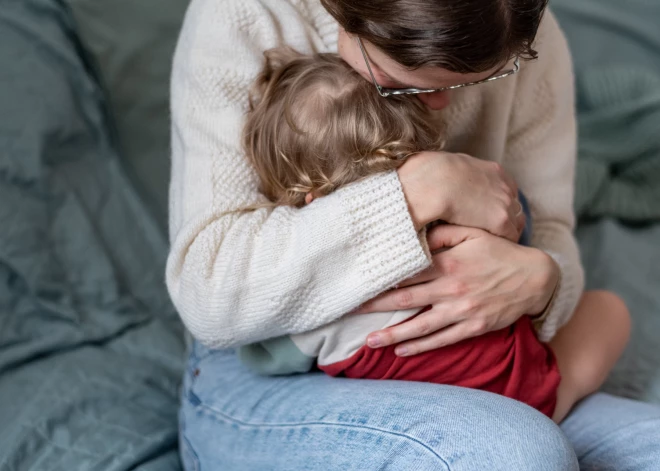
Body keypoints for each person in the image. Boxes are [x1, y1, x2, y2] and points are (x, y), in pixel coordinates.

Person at [169, 0, 660, 469]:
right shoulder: (242, 13)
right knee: (516, 450)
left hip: (498, 357)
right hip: (266, 365)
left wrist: (543, 280)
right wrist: (420, 192)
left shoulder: (520, 24)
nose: (442, 103)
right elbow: (209, 294)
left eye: (483, 76)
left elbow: (550, 228)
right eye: (399, 82)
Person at [235, 47, 629, 423]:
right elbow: (522, 230)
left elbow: (266, 355)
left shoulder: (314, 287)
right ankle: (557, 403)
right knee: (611, 310)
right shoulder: (470, 224)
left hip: (415, 416)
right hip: (531, 391)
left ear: (310, 201)